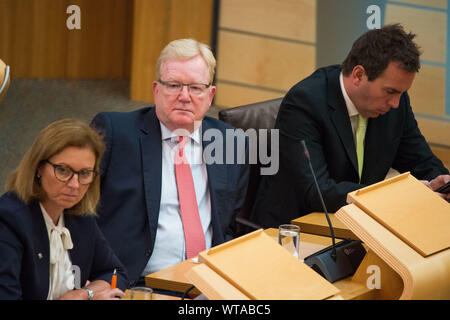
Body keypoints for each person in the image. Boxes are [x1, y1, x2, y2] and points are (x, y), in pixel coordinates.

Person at [252, 24, 450, 228]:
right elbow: (316, 191)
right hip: (295, 230)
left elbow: (421, 160)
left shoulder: (394, 104)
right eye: (390, 91)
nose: (396, 103)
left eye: (401, 93)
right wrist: (396, 196)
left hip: (355, 224)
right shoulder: (305, 103)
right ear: (358, 75)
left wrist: (440, 182)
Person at [91, 39, 249, 286]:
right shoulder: (115, 132)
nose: (184, 96)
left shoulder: (230, 142)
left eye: (196, 88)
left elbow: (229, 224)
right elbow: (78, 212)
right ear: (156, 90)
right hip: (137, 283)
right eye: (174, 85)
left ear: (210, 95)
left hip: (210, 282)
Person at [0, 119, 128, 300]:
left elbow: (115, 273)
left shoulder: (79, 216)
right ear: (38, 167)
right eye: (63, 170)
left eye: (84, 173)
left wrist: (84, 294)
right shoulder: (9, 220)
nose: (74, 184)